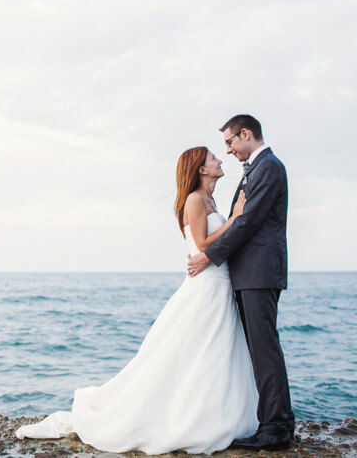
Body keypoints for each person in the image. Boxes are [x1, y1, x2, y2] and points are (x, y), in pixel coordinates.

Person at [14, 146, 258, 455]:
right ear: (200, 168)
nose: (220, 159)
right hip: (206, 286)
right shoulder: (195, 200)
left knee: (213, 352)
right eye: (212, 158)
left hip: (219, 284)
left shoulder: (209, 200)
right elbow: (204, 244)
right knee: (192, 350)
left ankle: (211, 412)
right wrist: (236, 218)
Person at [187, 114, 295, 451]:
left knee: (265, 350)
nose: (229, 151)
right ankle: (280, 421)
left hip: (258, 272)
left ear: (245, 134)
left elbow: (246, 223)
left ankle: (275, 429)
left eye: (231, 142)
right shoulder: (259, 168)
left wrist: (209, 256)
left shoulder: (269, 167)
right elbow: (240, 221)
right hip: (250, 273)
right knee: (262, 350)